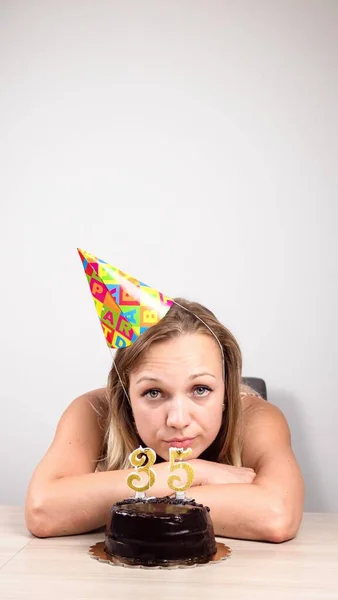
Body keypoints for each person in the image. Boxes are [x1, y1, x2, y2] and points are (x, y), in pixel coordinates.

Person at [25, 297, 304, 542]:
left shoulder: (256, 417)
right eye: (154, 392)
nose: (178, 419)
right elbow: (42, 510)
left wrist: (121, 502)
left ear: (227, 389)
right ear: (126, 395)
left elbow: (277, 515)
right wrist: (193, 473)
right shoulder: (92, 410)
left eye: (200, 389)